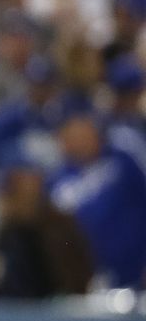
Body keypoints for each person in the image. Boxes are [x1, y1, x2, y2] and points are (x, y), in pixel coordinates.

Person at [46, 108, 146, 289]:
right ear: (63, 141)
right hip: (87, 278)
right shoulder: (56, 182)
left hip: (135, 272)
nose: (81, 140)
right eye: (74, 135)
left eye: (86, 132)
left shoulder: (122, 162)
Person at [0, 156, 95, 299]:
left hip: (55, 303)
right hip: (7, 305)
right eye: (20, 180)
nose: (28, 187)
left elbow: (80, 265)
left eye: (32, 180)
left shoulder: (59, 221)